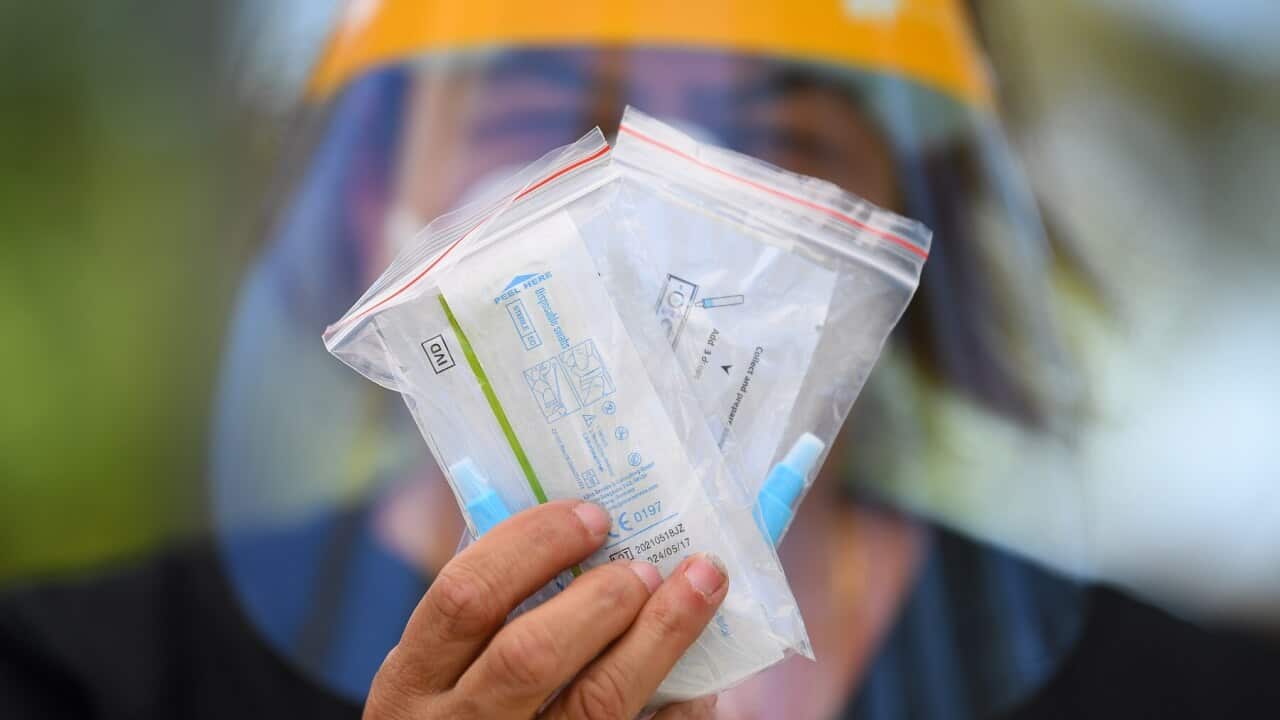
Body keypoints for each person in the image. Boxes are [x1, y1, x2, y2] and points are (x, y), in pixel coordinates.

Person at [3, 1, 1279, 718]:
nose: (640, 216)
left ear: (905, 223)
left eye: (780, 139)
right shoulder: (79, 677)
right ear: (365, 201)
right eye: (542, 124)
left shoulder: (1199, 700)